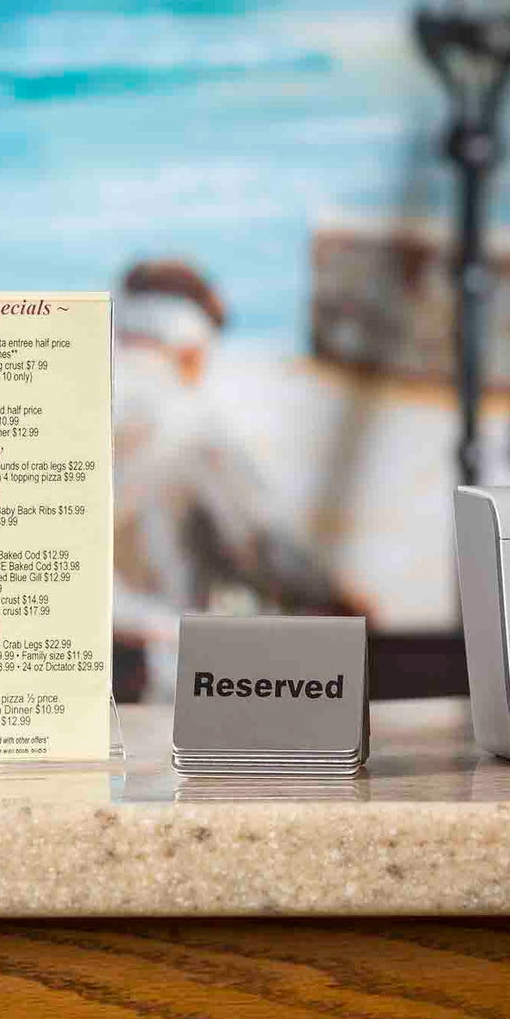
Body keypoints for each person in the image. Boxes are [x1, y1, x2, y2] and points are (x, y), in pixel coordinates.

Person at [112, 258, 360, 699]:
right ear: (191, 345)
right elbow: (266, 545)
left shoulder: (63, 402)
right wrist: (346, 603)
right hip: (148, 670)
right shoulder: (194, 422)